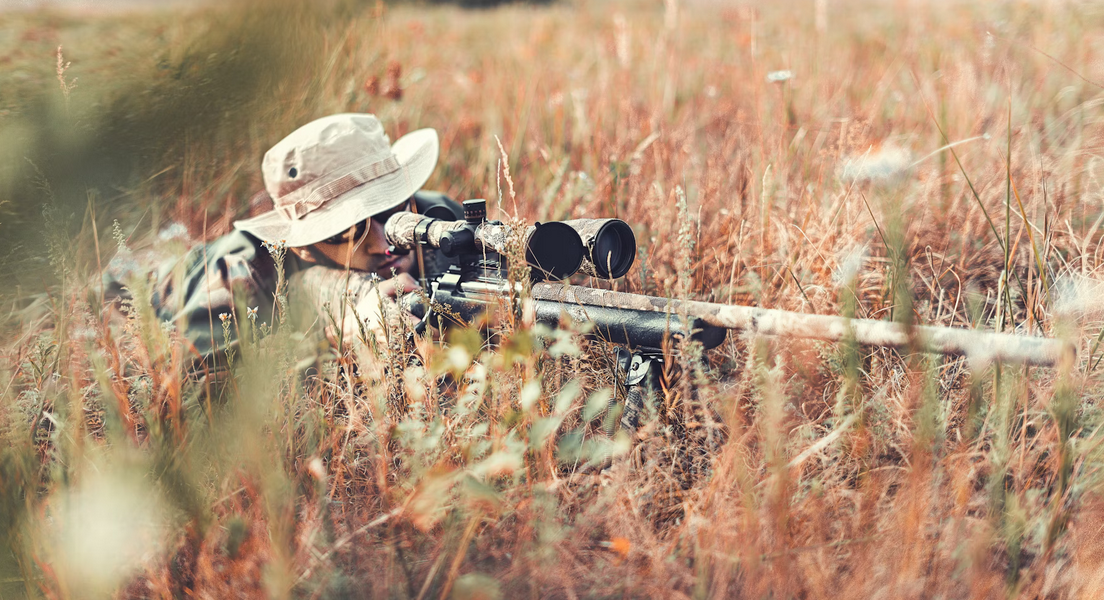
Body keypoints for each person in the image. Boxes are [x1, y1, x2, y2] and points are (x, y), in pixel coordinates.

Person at [104, 113, 459, 359]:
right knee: (122, 279)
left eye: (392, 208)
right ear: (304, 248)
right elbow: (189, 389)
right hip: (174, 281)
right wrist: (333, 333)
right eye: (348, 231)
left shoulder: (436, 219)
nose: (386, 242)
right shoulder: (239, 277)